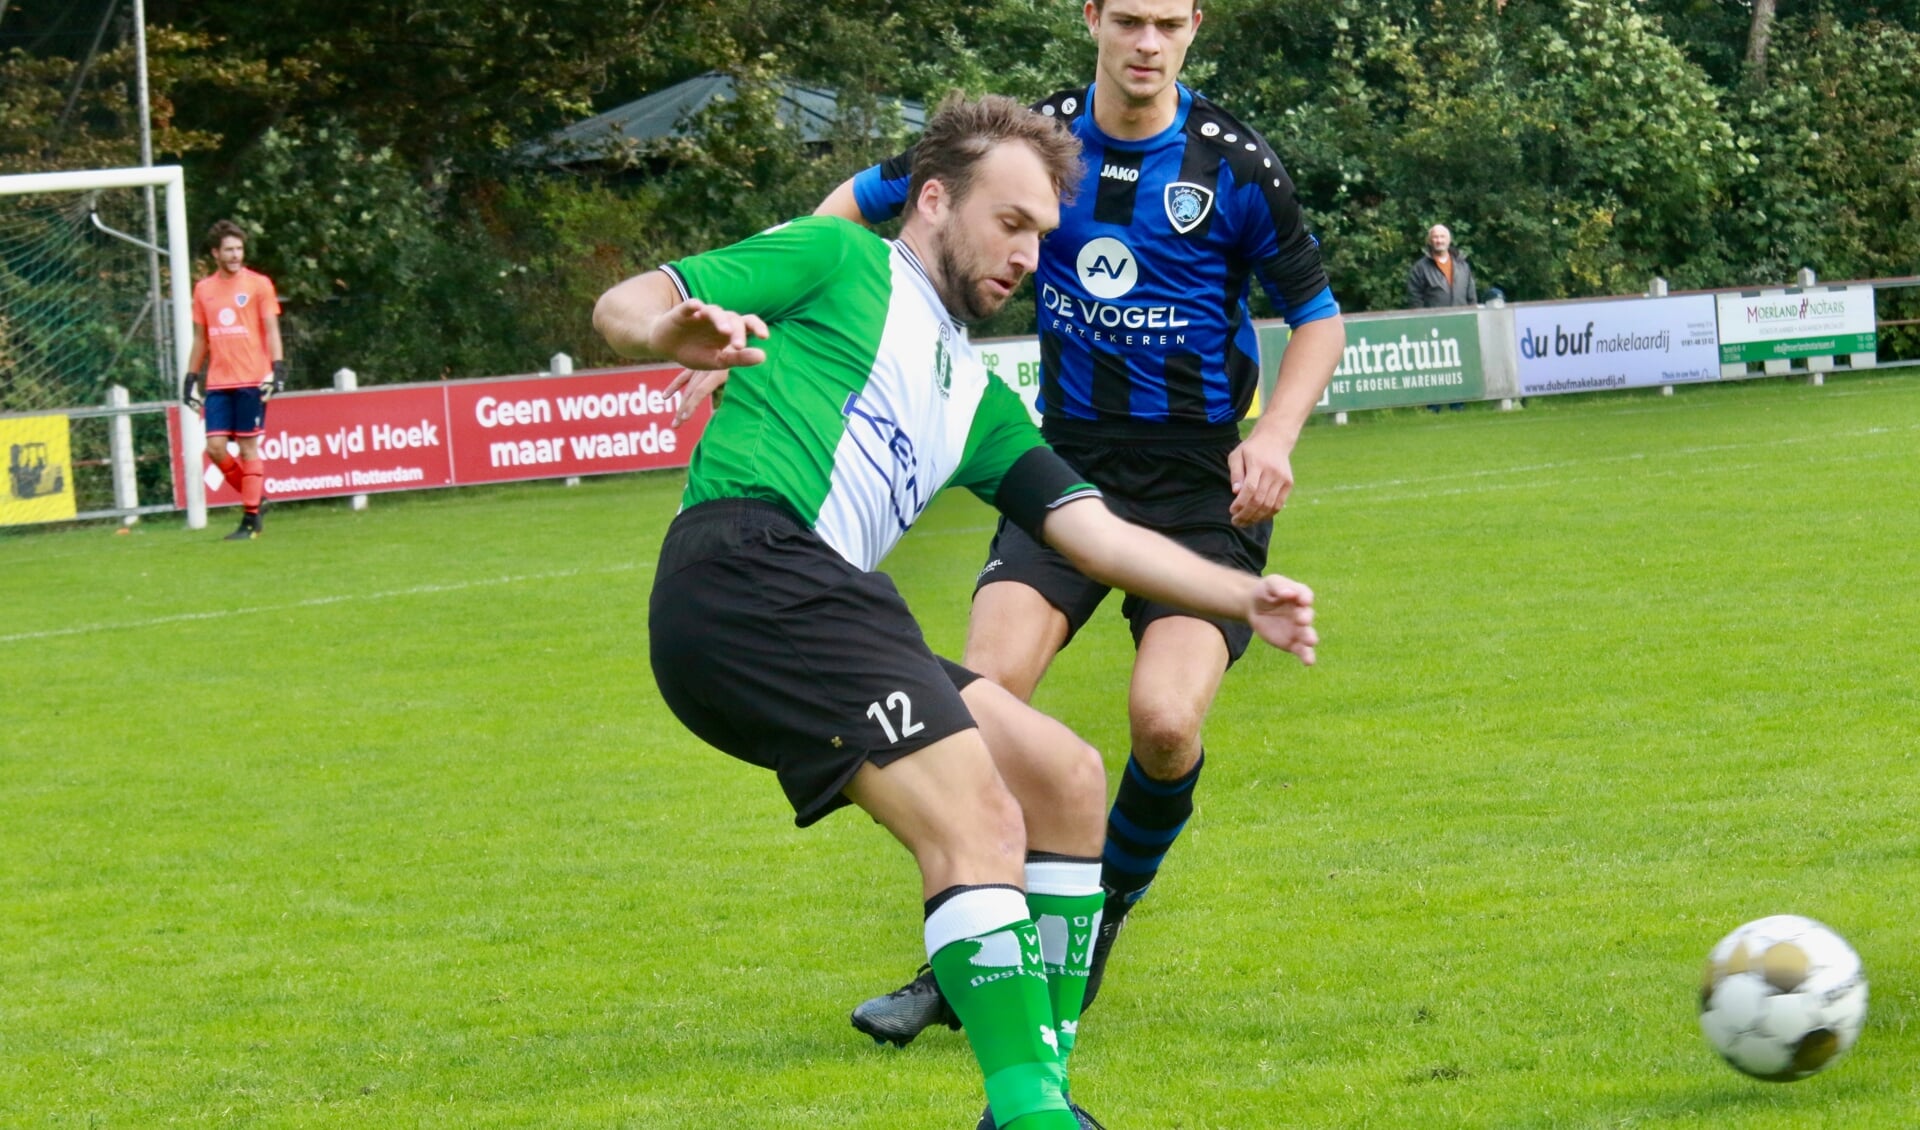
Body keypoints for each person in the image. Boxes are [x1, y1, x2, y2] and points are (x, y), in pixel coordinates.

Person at [595, 94, 1317, 1130]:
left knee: (1062, 779)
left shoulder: (975, 397)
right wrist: (669, 326)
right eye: (1010, 222)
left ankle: (1036, 1090)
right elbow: (627, 302)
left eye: (1042, 236)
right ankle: (1031, 1116)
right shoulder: (837, 260)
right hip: (750, 569)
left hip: (811, 598)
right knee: (978, 816)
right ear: (933, 198)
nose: (1028, 255)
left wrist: (1238, 588)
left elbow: (1096, 534)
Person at [182, 219, 285, 540]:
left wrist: (278, 369)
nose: (235, 255)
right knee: (214, 447)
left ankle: (250, 521)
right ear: (216, 253)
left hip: (252, 379)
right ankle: (256, 499)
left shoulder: (259, 285)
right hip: (218, 381)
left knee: (247, 446)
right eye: (228, 249)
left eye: (239, 249)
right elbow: (201, 338)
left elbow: (271, 329)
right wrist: (190, 377)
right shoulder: (203, 289)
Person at [1406, 223, 1478, 308]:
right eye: (1435, 237)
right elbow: (1415, 300)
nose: (1439, 241)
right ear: (1430, 241)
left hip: (1461, 318)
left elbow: (1471, 297)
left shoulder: (1463, 266)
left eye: (1442, 236)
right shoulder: (1420, 268)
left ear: (1449, 240)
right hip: (1434, 320)